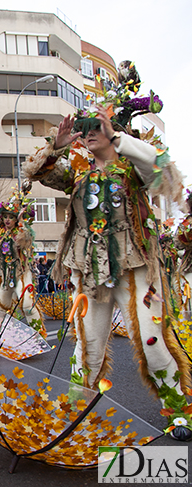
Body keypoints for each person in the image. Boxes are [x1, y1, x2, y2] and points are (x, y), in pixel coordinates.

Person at [22, 64, 191, 440]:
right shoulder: (77, 175)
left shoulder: (133, 170)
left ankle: (179, 409)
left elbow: (163, 167)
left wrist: (117, 138)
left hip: (135, 268)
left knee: (151, 341)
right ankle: (76, 413)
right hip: (89, 271)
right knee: (89, 345)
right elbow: (34, 172)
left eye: (96, 128)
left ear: (114, 131)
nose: (89, 135)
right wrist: (57, 146)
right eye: (85, 130)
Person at [0, 191, 45, 336]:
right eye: (5, 217)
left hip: (20, 272)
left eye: (11, 217)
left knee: (28, 304)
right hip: (2, 273)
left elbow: (26, 241)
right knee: (0, 307)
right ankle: (2, 336)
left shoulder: (21, 230)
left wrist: (22, 223)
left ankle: (38, 335)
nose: (8, 220)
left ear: (16, 219)